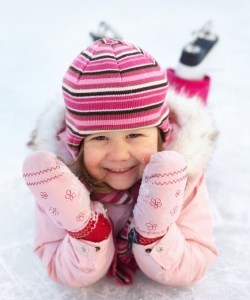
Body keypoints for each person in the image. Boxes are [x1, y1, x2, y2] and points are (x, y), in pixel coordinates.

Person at [22, 28, 219, 287]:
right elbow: (60, 268)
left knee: (191, 98)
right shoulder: (55, 180)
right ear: (76, 145)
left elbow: (194, 262)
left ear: (162, 135)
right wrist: (86, 232)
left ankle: (187, 72)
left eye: (135, 135)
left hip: (162, 123)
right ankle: (116, 50)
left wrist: (155, 233)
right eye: (100, 138)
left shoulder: (180, 175)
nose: (118, 154)